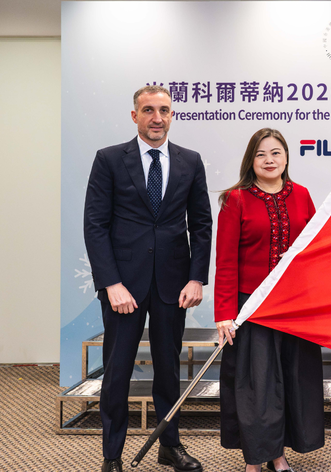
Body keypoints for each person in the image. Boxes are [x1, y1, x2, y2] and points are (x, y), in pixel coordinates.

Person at [84, 85, 212, 472]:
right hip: (124, 286)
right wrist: (111, 283)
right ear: (135, 115)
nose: (158, 117)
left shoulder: (190, 160)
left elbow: (202, 225)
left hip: (174, 285)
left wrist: (196, 279)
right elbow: (95, 225)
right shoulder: (108, 159)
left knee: (169, 370)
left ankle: (169, 446)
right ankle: (112, 455)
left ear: (172, 115)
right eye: (149, 110)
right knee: (118, 372)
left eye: (165, 110)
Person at [214, 128, 324, 472]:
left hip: (294, 307)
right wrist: (224, 314)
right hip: (252, 308)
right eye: (261, 154)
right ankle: (255, 459)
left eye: (276, 153)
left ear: (287, 158)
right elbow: (226, 261)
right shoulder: (236, 199)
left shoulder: (303, 195)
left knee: (292, 381)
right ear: (251, 160)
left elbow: (314, 253)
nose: (269, 160)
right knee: (258, 386)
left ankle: (278, 455)